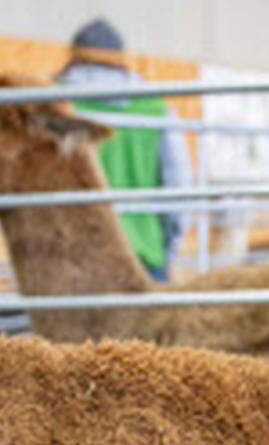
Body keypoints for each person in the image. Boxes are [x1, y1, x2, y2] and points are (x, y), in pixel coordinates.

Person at [55, 19, 191, 281]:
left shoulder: (54, 105)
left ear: (74, 56)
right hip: (142, 252)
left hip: (72, 256)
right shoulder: (156, 110)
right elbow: (178, 190)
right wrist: (168, 250)